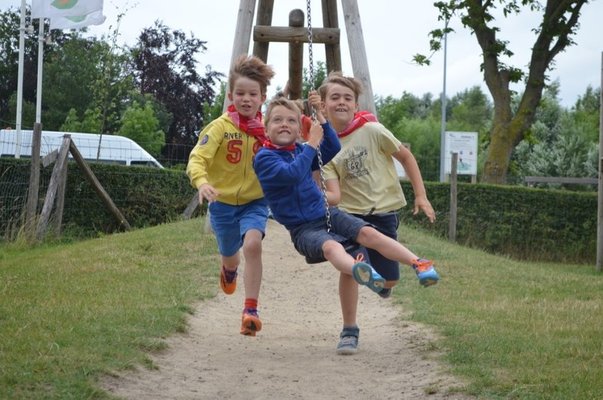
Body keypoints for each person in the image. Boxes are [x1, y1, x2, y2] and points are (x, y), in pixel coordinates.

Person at [253, 96, 439, 351]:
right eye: (277, 120)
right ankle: (359, 270)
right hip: (303, 229)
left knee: (367, 233)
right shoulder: (264, 158)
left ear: (299, 128)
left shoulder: (301, 149)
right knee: (331, 248)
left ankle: (419, 263)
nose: (284, 124)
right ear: (266, 128)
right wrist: (311, 144)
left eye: (291, 121)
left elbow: (332, 148)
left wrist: (322, 118)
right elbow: (292, 175)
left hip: (327, 213)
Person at [314, 71, 439, 354]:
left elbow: (405, 156)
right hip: (349, 217)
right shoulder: (325, 147)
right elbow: (331, 190)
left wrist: (421, 195)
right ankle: (349, 330)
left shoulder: (373, 131)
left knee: (388, 279)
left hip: (383, 213)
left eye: (348, 98)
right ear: (323, 105)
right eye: (335, 98)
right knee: (352, 268)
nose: (342, 102)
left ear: (356, 105)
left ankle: (383, 284)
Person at [186, 55, 275, 337]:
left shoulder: (268, 132)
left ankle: (250, 310)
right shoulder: (220, 128)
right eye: (240, 93)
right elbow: (197, 159)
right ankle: (229, 269)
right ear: (230, 95)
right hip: (222, 205)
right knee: (231, 256)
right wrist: (201, 183)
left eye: (252, 94)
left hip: (255, 202)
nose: (246, 99)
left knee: (253, 245)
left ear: (263, 97)